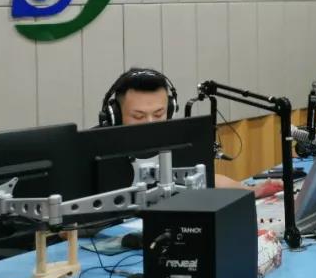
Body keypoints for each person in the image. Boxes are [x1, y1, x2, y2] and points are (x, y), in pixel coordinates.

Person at [101, 68, 278, 196]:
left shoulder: (175, 140)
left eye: (159, 114)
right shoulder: (99, 150)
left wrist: (252, 191)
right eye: (138, 116)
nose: (150, 123)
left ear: (171, 110)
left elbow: (205, 179)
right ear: (115, 115)